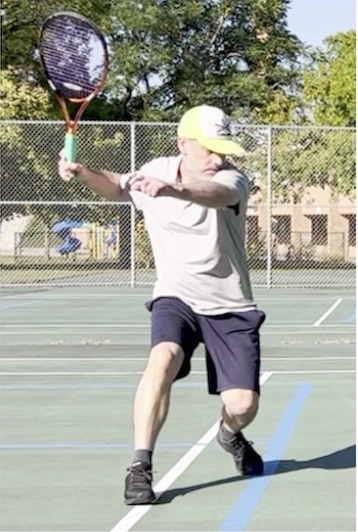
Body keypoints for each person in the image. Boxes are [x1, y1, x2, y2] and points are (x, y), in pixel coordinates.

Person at [58, 104, 266, 505]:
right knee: (162, 358)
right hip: (176, 296)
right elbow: (119, 186)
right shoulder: (155, 170)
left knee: (242, 403)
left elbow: (218, 195)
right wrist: (82, 172)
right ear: (183, 144)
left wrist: (175, 190)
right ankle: (140, 466)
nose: (219, 157)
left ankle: (229, 434)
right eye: (209, 148)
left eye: (223, 149)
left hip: (230, 304)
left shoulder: (231, 179)